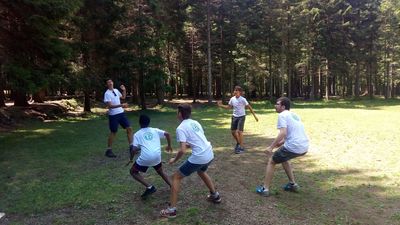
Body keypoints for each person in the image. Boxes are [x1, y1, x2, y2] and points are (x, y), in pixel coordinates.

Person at [160, 104, 221, 218]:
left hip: (200, 157)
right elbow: (197, 140)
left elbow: (183, 150)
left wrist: (174, 159)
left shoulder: (181, 128)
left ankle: (172, 210)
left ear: (180, 114)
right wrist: (187, 146)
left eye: (177, 112)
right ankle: (215, 196)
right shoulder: (195, 122)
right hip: (209, 153)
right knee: (201, 171)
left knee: (175, 177)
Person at [256, 97, 309, 197]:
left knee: (272, 161)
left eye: (277, 104)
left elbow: (283, 132)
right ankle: (293, 184)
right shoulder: (294, 115)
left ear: (283, 106)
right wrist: (280, 143)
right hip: (304, 146)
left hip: (294, 146)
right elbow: (292, 132)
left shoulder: (282, 115)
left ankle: (265, 189)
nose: (275, 106)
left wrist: (271, 147)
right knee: (284, 157)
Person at [129, 114, 172, 198]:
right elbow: (167, 134)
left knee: (133, 172)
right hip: (157, 156)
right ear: (149, 122)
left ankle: (150, 187)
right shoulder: (154, 130)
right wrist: (169, 145)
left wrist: (131, 159)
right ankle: (173, 186)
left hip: (146, 157)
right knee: (160, 171)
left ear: (139, 123)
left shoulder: (137, 134)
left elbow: (134, 149)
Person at [220, 86, 258, 154]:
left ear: (240, 92)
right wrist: (221, 105)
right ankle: (238, 142)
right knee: (233, 132)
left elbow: (249, 107)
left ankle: (241, 147)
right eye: (235, 90)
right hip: (234, 117)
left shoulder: (243, 99)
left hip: (241, 116)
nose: (235, 91)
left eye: (236, 90)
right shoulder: (232, 99)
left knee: (240, 132)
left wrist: (255, 116)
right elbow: (229, 107)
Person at [103, 78, 133, 158]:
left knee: (129, 128)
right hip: (113, 115)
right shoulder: (107, 93)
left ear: (113, 83)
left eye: (111, 81)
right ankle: (108, 150)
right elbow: (110, 106)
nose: (110, 83)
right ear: (107, 85)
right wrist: (121, 105)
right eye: (108, 82)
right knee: (114, 132)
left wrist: (124, 90)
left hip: (121, 113)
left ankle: (131, 147)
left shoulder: (116, 90)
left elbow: (123, 97)